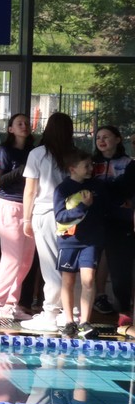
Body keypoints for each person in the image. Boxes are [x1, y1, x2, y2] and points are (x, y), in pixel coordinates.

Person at [21, 112, 77, 334]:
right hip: (72, 215)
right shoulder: (75, 155)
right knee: (69, 264)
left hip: (45, 214)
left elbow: (30, 190)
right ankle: (70, 313)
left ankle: (51, 314)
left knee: (50, 265)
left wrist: (26, 218)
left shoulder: (38, 154)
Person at [0, 112, 35, 325]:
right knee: (12, 259)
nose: (24, 126)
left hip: (30, 208)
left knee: (25, 260)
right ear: (10, 129)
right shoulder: (4, 151)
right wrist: (24, 170)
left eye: (26, 123)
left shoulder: (33, 151)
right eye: (19, 123)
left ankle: (10, 305)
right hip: (11, 206)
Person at [54, 148, 106, 335]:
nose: (91, 168)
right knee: (68, 280)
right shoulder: (62, 189)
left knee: (89, 279)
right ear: (73, 168)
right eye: (86, 166)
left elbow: (105, 209)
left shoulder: (96, 186)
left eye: (91, 165)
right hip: (69, 240)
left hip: (90, 240)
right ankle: (69, 321)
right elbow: (60, 216)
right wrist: (83, 206)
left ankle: (85, 321)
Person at [91, 125, 132, 329]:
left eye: (106, 137)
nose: (101, 140)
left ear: (117, 139)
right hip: (95, 218)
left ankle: (124, 308)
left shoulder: (128, 164)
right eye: (98, 137)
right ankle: (99, 297)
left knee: (119, 265)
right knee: (95, 260)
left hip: (119, 220)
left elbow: (128, 190)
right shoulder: (91, 163)